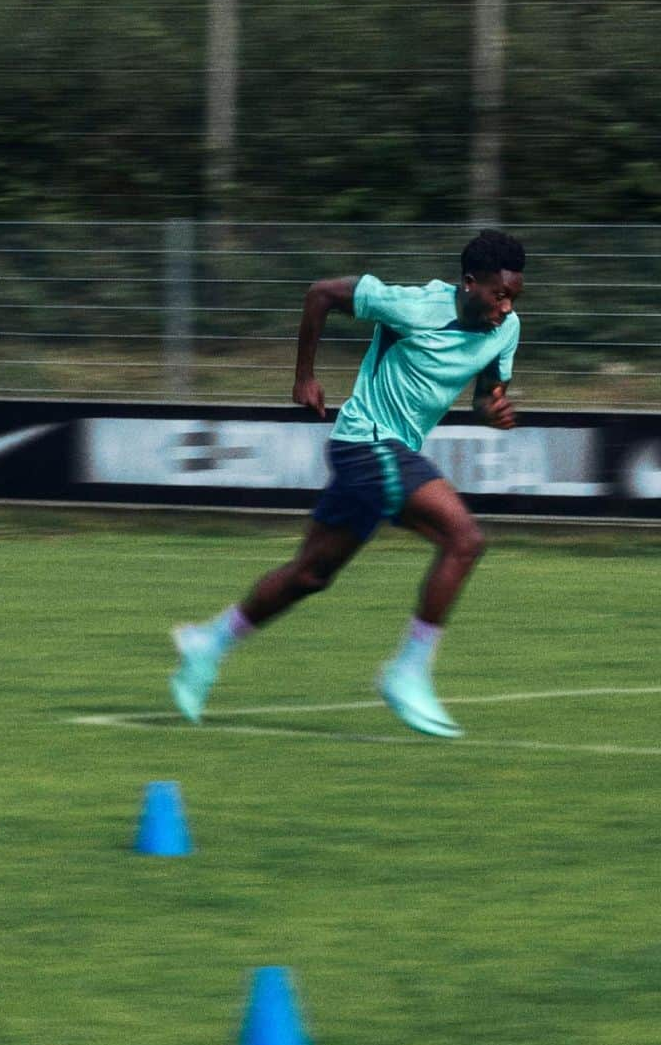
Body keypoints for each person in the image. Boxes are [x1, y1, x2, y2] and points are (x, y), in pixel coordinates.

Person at [167, 229, 525, 739]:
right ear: (470, 284)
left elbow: (485, 396)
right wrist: (303, 378)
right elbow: (322, 294)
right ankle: (407, 671)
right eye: (499, 294)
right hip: (368, 443)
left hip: (383, 455)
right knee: (464, 540)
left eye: (515, 296)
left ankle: (209, 642)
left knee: (310, 575)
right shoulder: (412, 305)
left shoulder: (506, 330)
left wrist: (494, 411)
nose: (506, 307)